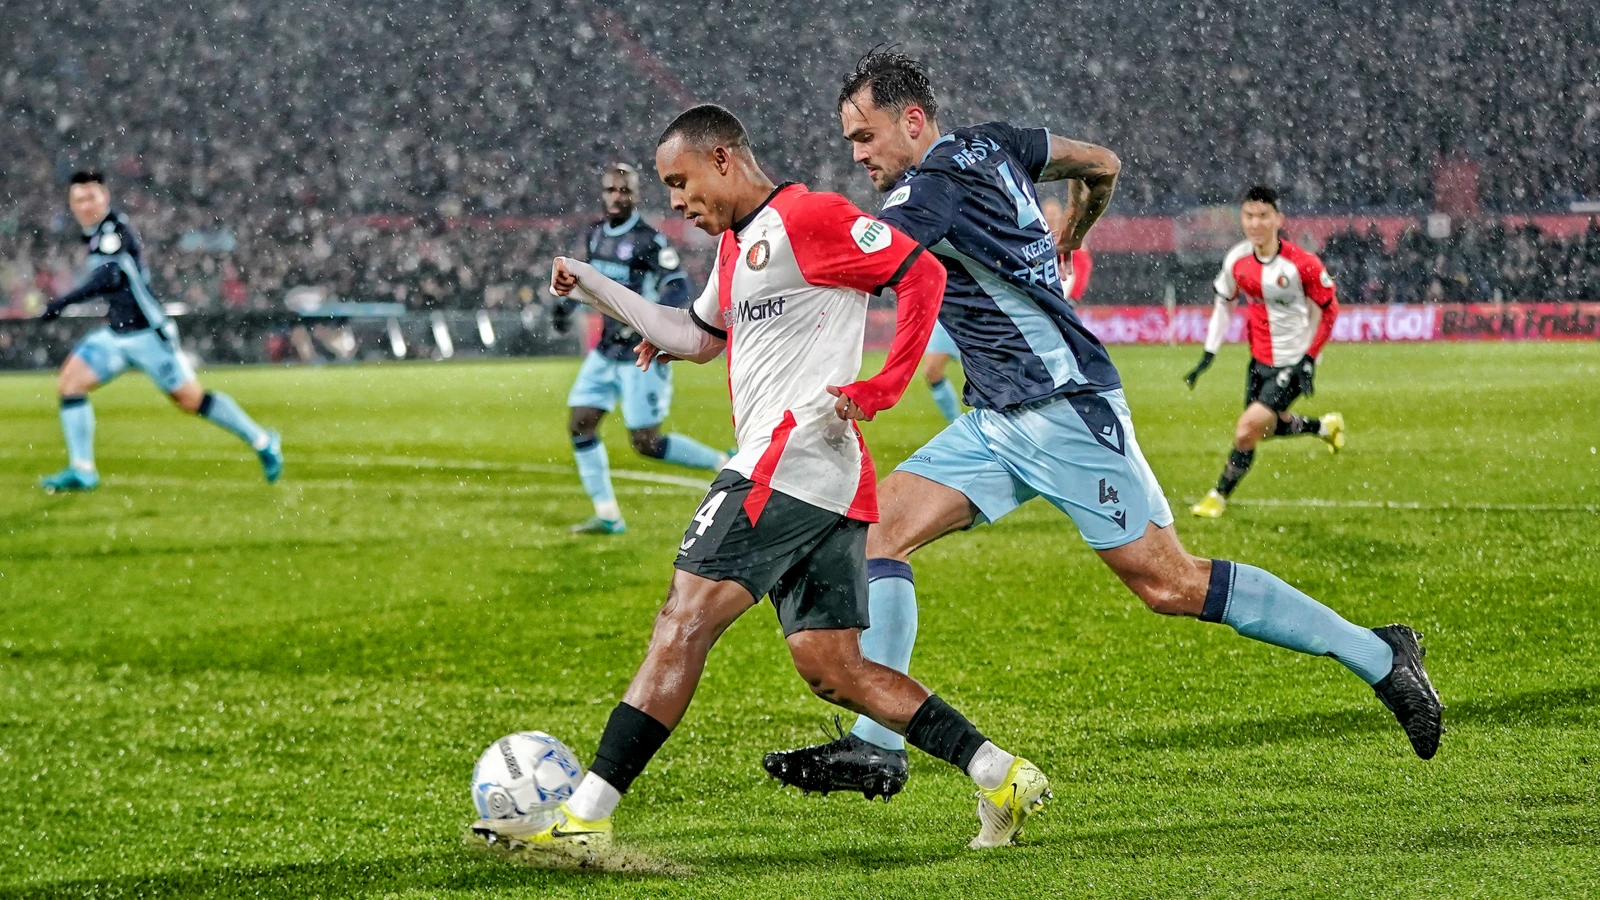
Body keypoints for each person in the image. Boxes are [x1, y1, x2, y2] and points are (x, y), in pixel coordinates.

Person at [762, 50, 1441, 802]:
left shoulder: (930, 190)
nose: (857, 154)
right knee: (877, 538)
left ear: (913, 120)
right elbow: (1104, 164)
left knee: (1170, 584)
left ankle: (1381, 655)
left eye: (865, 136)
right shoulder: (999, 142)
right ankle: (879, 746)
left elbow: (860, 263)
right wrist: (1074, 234)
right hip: (996, 420)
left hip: (1064, 413)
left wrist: (752, 270)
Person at [470, 105, 1048, 861]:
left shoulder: (810, 216)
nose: (676, 202)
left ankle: (584, 816)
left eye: (680, 182)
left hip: (786, 460)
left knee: (683, 622)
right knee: (833, 668)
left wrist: (885, 385)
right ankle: (999, 773)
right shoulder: (738, 246)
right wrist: (591, 285)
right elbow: (696, 335)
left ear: (721, 158)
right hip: (826, 480)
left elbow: (921, 271)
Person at [37, 171, 282, 492]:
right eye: (79, 199)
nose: (85, 204)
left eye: (91, 197)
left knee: (191, 400)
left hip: (148, 335)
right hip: (116, 335)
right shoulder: (94, 234)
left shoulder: (115, 231)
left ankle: (263, 441)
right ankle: (83, 470)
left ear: (105, 197)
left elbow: (110, 277)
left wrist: (62, 302)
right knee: (70, 384)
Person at [557, 163, 730, 535]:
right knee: (580, 424)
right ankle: (608, 516)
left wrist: (660, 326)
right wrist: (565, 305)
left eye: (624, 190)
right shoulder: (594, 235)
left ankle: (724, 461)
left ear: (636, 193)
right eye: (611, 190)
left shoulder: (650, 240)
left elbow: (676, 285)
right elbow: (589, 286)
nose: (617, 196)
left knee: (646, 443)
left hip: (640, 352)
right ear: (602, 194)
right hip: (605, 352)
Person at [1185, 185, 1346, 518]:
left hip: (1294, 360)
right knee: (1266, 428)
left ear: (1278, 219)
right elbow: (1223, 303)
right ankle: (1324, 427)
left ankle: (1217, 495)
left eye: (1263, 216)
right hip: (1259, 361)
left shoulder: (1302, 264)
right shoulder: (1238, 260)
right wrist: (1208, 353)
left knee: (1247, 429)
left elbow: (1330, 311)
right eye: (1249, 216)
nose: (1255, 223)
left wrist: (1310, 358)